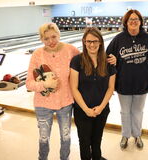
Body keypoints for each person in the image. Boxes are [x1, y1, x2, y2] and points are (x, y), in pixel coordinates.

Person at [26, 22, 80, 160]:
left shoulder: (71, 50)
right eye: (46, 39)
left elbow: (87, 62)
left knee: (66, 136)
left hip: (65, 102)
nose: (50, 41)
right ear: (41, 39)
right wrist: (45, 84)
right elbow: (29, 84)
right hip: (43, 104)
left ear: (59, 34)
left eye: (53, 37)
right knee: (44, 138)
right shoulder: (38, 54)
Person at [106, 9, 148, 149]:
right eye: (130, 19)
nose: (133, 21)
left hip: (143, 82)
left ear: (140, 22)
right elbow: (107, 56)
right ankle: (125, 135)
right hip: (123, 83)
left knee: (138, 111)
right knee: (125, 111)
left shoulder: (147, 38)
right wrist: (113, 60)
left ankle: (137, 134)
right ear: (126, 22)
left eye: (136, 19)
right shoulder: (119, 38)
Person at [70, 27, 116, 160]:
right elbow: (74, 88)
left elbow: (110, 88)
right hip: (81, 110)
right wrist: (86, 109)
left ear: (100, 42)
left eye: (95, 41)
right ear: (84, 42)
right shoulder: (77, 61)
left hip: (101, 110)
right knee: (84, 143)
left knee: (97, 141)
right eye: (89, 41)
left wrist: (101, 107)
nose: (92, 44)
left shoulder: (108, 61)